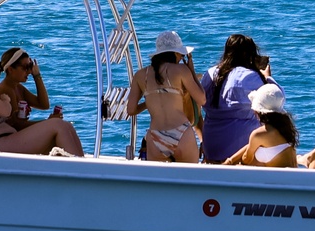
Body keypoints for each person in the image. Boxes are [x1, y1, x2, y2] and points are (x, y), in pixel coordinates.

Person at [0, 53, 86, 157]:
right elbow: (5, 111)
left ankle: (81, 165)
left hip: (8, 140)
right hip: (1, 144)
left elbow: (43, 104)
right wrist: (6, 101)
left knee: (66, 126)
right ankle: (81, 170)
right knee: (58, 125)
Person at [124, 31, 204, 162]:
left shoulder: (140, 75)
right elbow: (202, 99)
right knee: (190, 180)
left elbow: (131, 110)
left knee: (157, 181)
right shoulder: (181, 70)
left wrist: (149, 101)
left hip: (156, 136)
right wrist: (192, 71)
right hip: (181, 132)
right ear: (175, 53)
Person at [199, 33, 268, 163]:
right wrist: (267, 77)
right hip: (239, 150)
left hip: (211, 146)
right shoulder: (250, 76)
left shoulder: (210, 73)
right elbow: (275, 99)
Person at [221, 83, 299, 166]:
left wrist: (232, 162)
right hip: (292, 173)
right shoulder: (285, 127)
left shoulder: (258, 134)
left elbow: (246, 159)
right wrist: (230, 161)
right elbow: (251, 145)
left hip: (277, 178)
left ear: (258, 111)